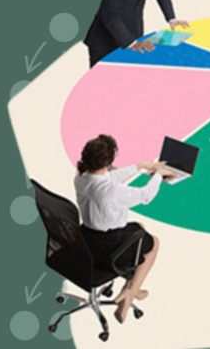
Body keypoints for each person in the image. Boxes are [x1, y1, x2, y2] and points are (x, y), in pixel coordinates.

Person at [74, 134, 176, 323]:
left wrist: (140, 167)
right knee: (153, 243)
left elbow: (107, 177)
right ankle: (130, 294)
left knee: (140, 228)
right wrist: (159, 176)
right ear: (108, 163)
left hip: (86, 241)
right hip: (105, 249)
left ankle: (130, 289)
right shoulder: (111, 191)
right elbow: (145, 196)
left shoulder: (81, 177)